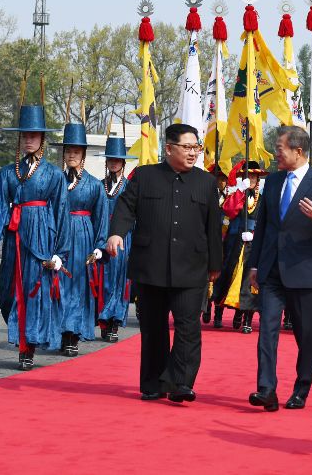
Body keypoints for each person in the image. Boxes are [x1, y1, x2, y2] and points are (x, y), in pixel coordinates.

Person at [107, 123, 222, 403]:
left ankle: (180, 382)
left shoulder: (206, 183)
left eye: (196, 147)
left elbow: (213, 228)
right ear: (169, 148)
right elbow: (125, 207)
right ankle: (153, 383)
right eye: (187, 147)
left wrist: (216, 265)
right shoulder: (145, 176)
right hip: (151, 266)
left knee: (188, 328)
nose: (193, 152)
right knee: (154, 328)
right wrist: (116, 233)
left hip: (192, 267)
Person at [246, 125, 312, 411]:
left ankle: (301, 388)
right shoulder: (274, 181)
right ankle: (266, 389)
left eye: (280, 149)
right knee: (267, 330)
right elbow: (263, 225)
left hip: (305, 273)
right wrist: (254, 265)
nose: (276, 153)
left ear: (298, 151)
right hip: (272, 270)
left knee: (307, 335)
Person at [0, 103, 70, 370]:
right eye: (24, 135)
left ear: (42, 138)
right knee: (10, 292)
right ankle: (22, 338)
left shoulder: (53, 174)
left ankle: (26, 349)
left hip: (42, 239)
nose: (28, 140)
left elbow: (62, 212)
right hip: (15, 239)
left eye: (34, 135)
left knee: (33, 292)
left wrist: (59, 252)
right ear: (19, 138)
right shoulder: (7, 173)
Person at [51, 122, 109, 356]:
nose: (72, 155)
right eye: (68, 151)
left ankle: (72, 335)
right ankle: (59, 332)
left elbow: (102, 219)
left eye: (76, 151)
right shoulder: (55, 182)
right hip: (58, 238)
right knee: (58, 287)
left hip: (83, 240)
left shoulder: (95, 186)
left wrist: (99, 247)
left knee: (77, 288)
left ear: (83, 154)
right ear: (64, 154)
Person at [211, 160, 268, 334]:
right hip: (234, 241)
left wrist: (256, 234)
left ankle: (245, 317)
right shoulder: (237, 194)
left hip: (253, 244)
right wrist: (240, 190)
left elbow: (267, 221)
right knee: (227, 276)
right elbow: (228, 210)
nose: (251, 178)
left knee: (249, 281)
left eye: (253, 176)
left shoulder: (263, 198)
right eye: (248, 175)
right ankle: (218, 313)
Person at [96, 136, 138, 342]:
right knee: (102, 279)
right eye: (110, 159)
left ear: (123, 163)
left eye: (117, 160)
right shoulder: (99, 186)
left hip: (123, 240)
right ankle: (102, 319)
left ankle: (113, 321)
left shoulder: (131, 187)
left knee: (119, 281)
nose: (114, 163)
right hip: (101, 238)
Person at [201, 163, 229, 327]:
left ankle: (219, 313)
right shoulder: (206, 197)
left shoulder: (230, 198)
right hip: (208, 241)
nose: (220, 182)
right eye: (217, 178)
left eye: (223, 179)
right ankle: (206, 308)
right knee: (206, 279)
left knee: (222, 279)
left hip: (226, 242)